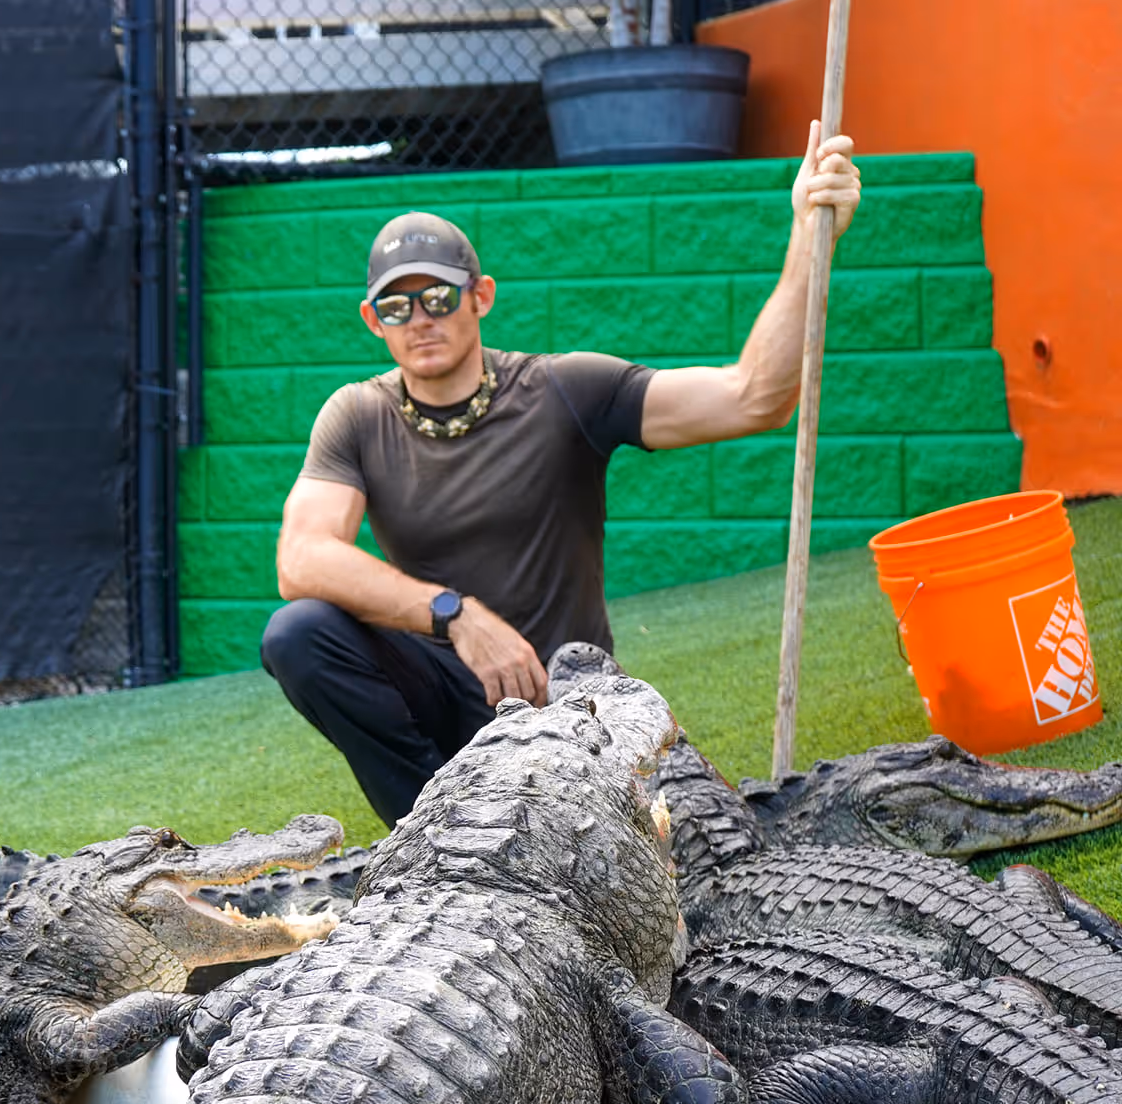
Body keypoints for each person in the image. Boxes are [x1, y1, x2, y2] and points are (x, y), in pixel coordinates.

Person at [262, 124, 863, 828]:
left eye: (440, 297)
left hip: (567, 708)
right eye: (398, 306)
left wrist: (807, 233)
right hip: (451, 702)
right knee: (297, 634)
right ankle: (432, 834)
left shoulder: (563, 390)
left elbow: (753, 395)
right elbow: (302, 557)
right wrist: (457, 614)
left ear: (481, 295)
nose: (419, 319)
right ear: (373, 320)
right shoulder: (358, 415)